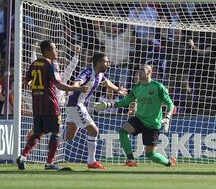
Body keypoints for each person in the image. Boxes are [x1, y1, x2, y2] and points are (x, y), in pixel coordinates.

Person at [16, 40, 89, 171]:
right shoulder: (50, 66)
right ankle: (50, 163)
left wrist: (35, 87)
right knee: (56, 132)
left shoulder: (34, 64)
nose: (56, 52)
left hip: (37, 105)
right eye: (54, 49)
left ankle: (23, 156)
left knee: (38, 133)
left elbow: (26, 81)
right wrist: (77, 89)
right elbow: (59, 85)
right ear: (47, 51)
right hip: (50, 104)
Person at [94, 64, 176, 167]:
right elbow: (125, 101)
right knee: (123, 131)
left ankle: (169, 163)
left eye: (143, 70)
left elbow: (170, 104)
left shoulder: (158, 87)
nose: (139, 72)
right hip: (139, 119)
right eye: (139, 70)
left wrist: (167, 117)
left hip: (152, 124)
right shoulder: (137, 87)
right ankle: (131, 160)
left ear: (149, 73)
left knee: (150, 154)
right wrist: (108, 104)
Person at [65, 52, 127, 169]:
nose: (108, 64)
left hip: (77, 105)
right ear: (98, 63)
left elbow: (106, 82)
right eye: (106, 62)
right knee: (94, 131)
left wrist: (118, 89)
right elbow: (78, 81)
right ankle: (91, 161)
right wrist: (77, 87)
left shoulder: (100, 74)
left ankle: (52, 134)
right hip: (76, 104)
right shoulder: (88, 73)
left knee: (69, 135)